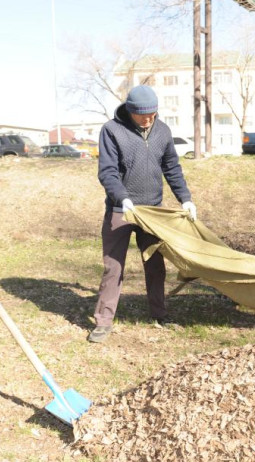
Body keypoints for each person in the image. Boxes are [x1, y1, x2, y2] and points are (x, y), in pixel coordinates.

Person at [89, 85, 196, 343]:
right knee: (113, 268)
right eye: (142, 115)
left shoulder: (162, 131)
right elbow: (108, 172)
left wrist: (186, 199)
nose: (148, 119)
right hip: (121, 210)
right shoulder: (112, 131)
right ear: (130, 110)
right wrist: (122, 198)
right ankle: (103, 322)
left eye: (152, 114)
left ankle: (159, 314)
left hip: (152, 211)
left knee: (155, 265)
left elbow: (172, 167)